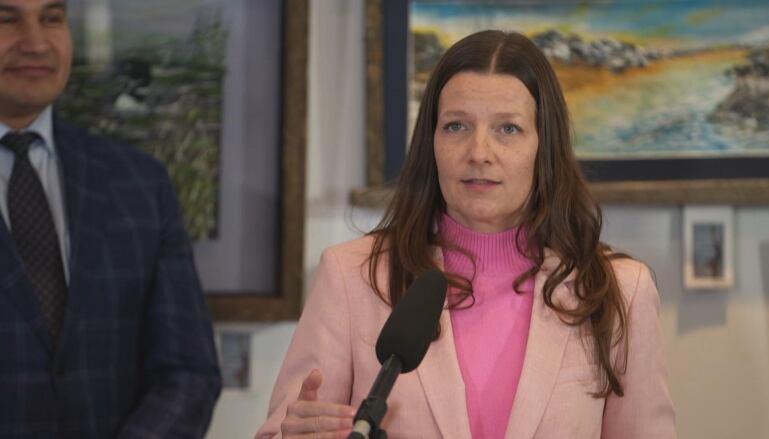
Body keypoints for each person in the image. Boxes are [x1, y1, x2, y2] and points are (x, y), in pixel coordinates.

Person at [257, 30, 676, 439]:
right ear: (431, 141)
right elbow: (287, 429)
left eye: (507, 129)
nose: (479, 153)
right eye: (457, 126)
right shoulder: (351, 277)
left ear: (543, 146)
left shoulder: (619, 290)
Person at [0, 1, 221, 437]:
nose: (36, 42)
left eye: (51, 18)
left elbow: (188, 371)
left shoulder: (139, 182)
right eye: (6, 19)